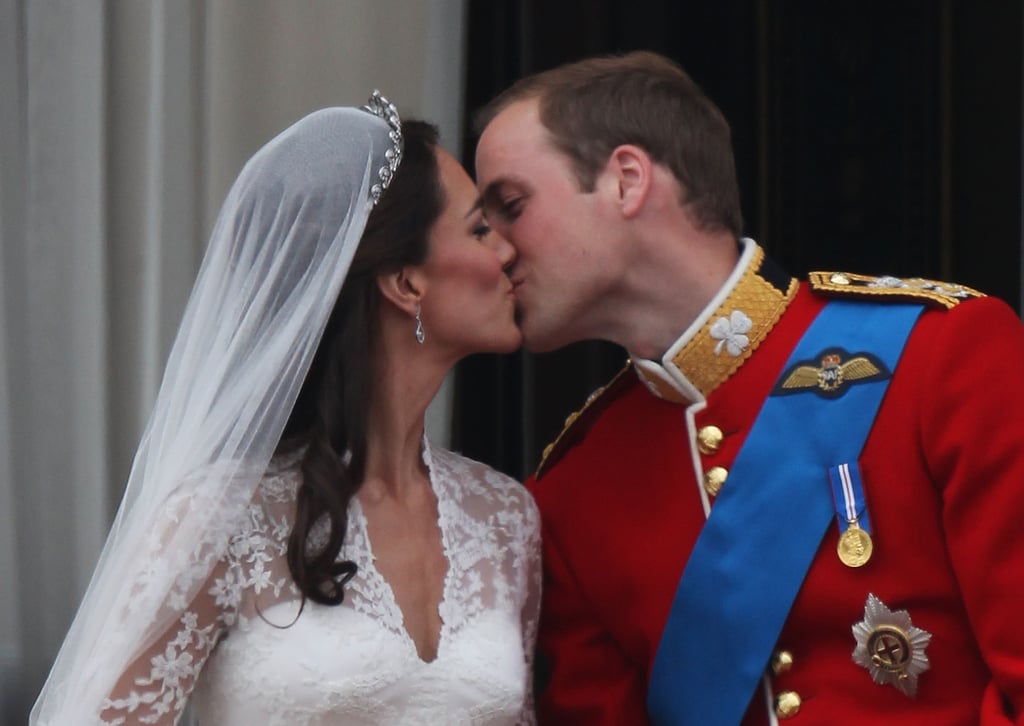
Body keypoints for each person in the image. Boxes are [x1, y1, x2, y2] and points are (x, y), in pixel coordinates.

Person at [473, 50, 1024, 725]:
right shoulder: (570, 491)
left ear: (625, 180)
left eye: (511, 206)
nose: (493, 252)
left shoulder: (942, 354)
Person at [31, 93, 541, 725]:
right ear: (406, 283)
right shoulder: (219, 520)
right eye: (479, 229)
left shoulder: (506, 519)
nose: (507, 252)